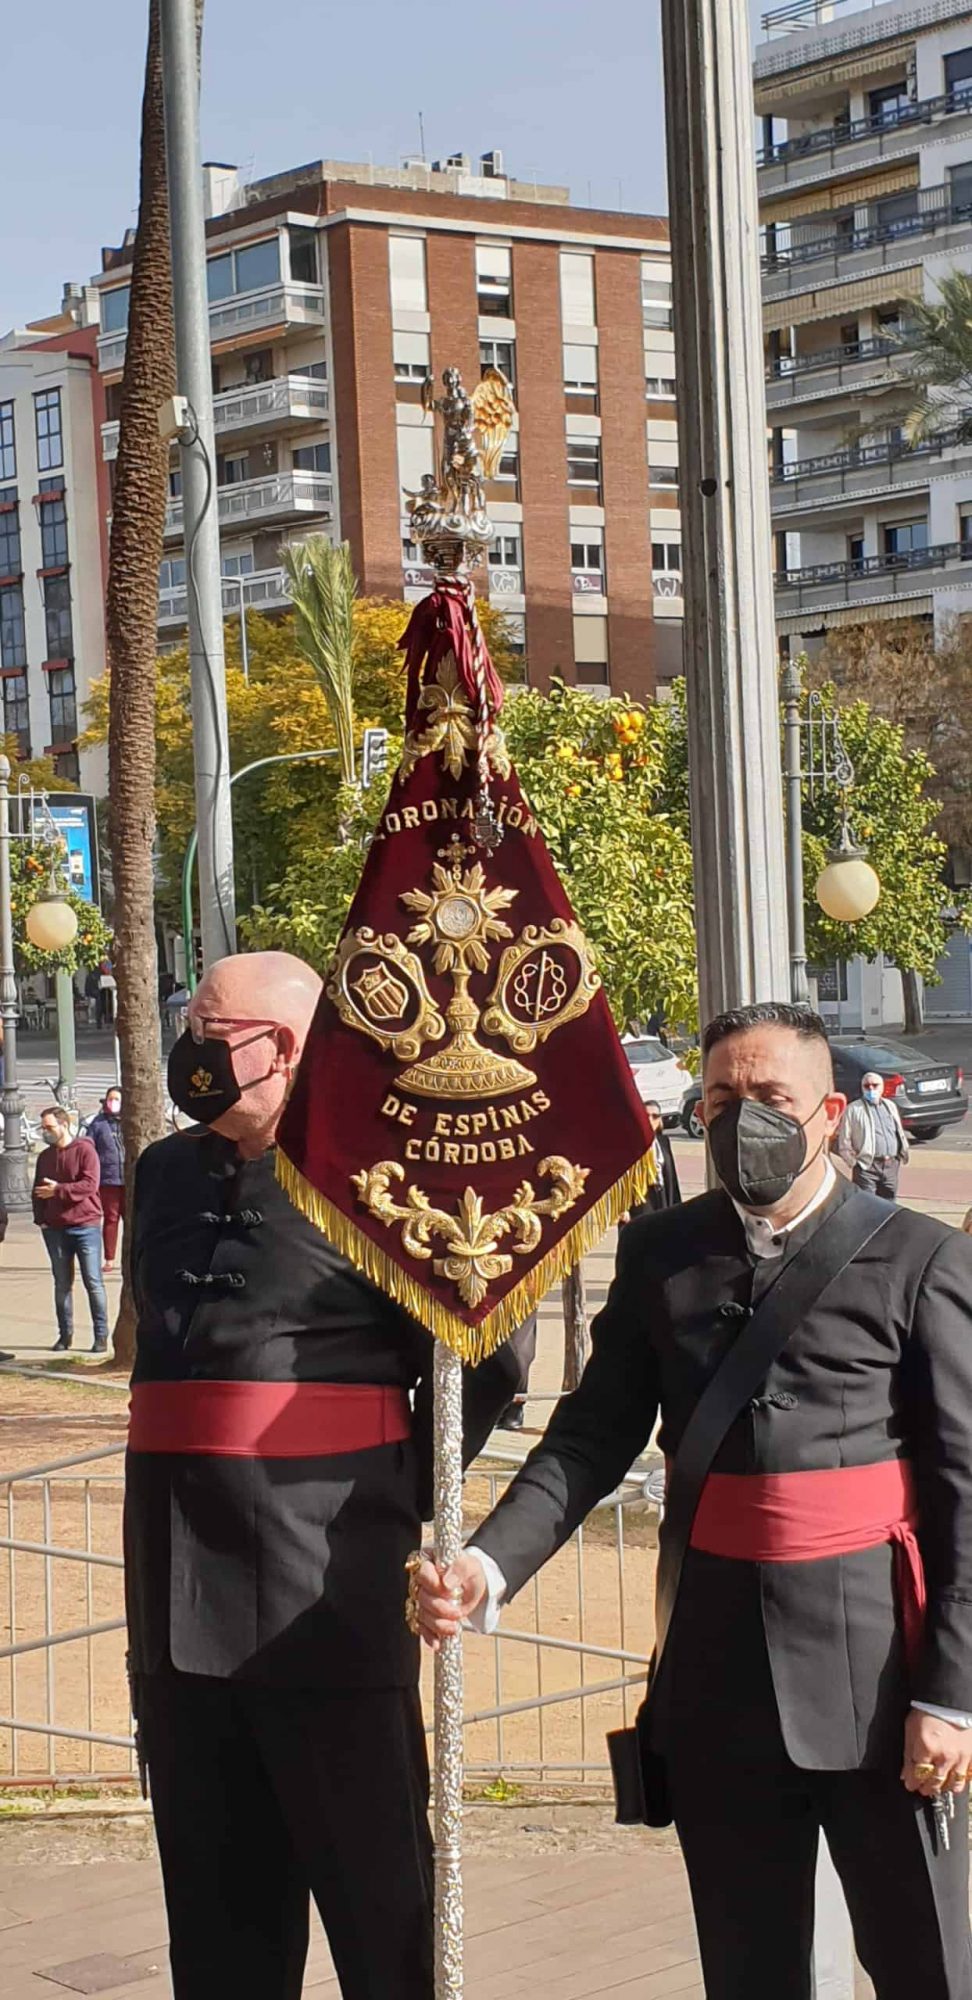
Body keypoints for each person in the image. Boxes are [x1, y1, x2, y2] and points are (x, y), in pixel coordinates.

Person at [415, 1001, 972, 2000]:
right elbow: (589, 1437)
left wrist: (952, 1695)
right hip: (718, 1681)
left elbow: (967, 1493)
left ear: (831, 1111)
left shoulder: (922, 1258)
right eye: (719, 1098)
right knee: (747, 1968)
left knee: (929, 1964)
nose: (740, 1119)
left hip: (883, 1686)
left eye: (770, 1098)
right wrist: (487, 1561)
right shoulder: (663, 1252)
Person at [125, 949, 527, 2000]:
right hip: (176, 1608)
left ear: (286, 1045)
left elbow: (486, 1370)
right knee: (217, 1932)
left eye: (212, 1033)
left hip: (327, 1603)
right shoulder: (165, 1172)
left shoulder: (388, 1178)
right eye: (189, 1025)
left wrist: (396, 1497)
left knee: (379, 1913)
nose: (191, 1050)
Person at [32, 1106, 109, 1355]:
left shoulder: (85, 1150)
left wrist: (59, 1190)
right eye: (43, 1128)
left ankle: (101, 1336)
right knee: (62, 1284)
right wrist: (41, 1220)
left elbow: (89, 1185)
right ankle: (65, 1336)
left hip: (85, 1225)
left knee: (93, 1281)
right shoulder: (45, 1157)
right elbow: (37, 1191)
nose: (45, 1132)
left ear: (64, 1125)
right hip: (55, 1229)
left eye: (49, 1127)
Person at [837, 1069, 909, 1201]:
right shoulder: (853, 1109)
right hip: (867, 1167)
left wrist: (900, 1155)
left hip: (890, 1165)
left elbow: (897, 1131)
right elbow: (844, 1141)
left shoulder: (890, 1106)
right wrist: (854, 1163)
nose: (871, 1089)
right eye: (867, 1086)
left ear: (881, 1087)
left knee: (889, 1204)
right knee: (867, 1204)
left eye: (874, 1085)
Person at [85, 1089, 125, 1269]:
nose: (113, 1102)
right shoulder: (98, 1123)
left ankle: (131, 1256)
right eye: (111, 1099)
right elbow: (88, 1148)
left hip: (131, 1179)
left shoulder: (129, 1121)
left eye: (117, 1099)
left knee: (132, 1220)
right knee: (111, 1218)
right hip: (109, 1180)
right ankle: (109, 1259)